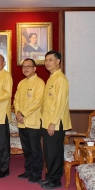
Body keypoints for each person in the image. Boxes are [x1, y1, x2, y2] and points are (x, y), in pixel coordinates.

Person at [39, 50, 72, 189]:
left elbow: (60, 103)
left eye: (50, 60)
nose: (47, 63)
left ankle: (55, 180)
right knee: (49, 152)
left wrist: (53, 122)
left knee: (55, 152)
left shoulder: (61, 79)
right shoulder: (51, 77)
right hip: (47, 121)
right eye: (46, 60)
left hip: (55, 123)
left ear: (58, 61)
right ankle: (50, 177)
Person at [13, 58, 45, 183]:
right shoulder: (21, 83)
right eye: (23, 66)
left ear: (34, 68)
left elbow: (38, 102)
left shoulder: (39, 83)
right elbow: (16, 100)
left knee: (35, 149)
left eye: (28, 66)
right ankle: (28, 170)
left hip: (34, 122)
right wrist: (18, 113)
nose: (25, 69)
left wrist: (23, 114)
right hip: (22, 123)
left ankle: (37, 173)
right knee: (26, 149)